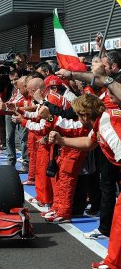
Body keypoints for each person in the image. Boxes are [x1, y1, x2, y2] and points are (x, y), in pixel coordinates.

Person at [47, 93, 121, 269]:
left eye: (78, 115)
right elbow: (88, 143)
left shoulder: (108, 125)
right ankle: (113, 263)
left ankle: (114, 263)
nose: (78, 120)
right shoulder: (101, 122)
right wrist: (62, 140)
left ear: (86, 114)